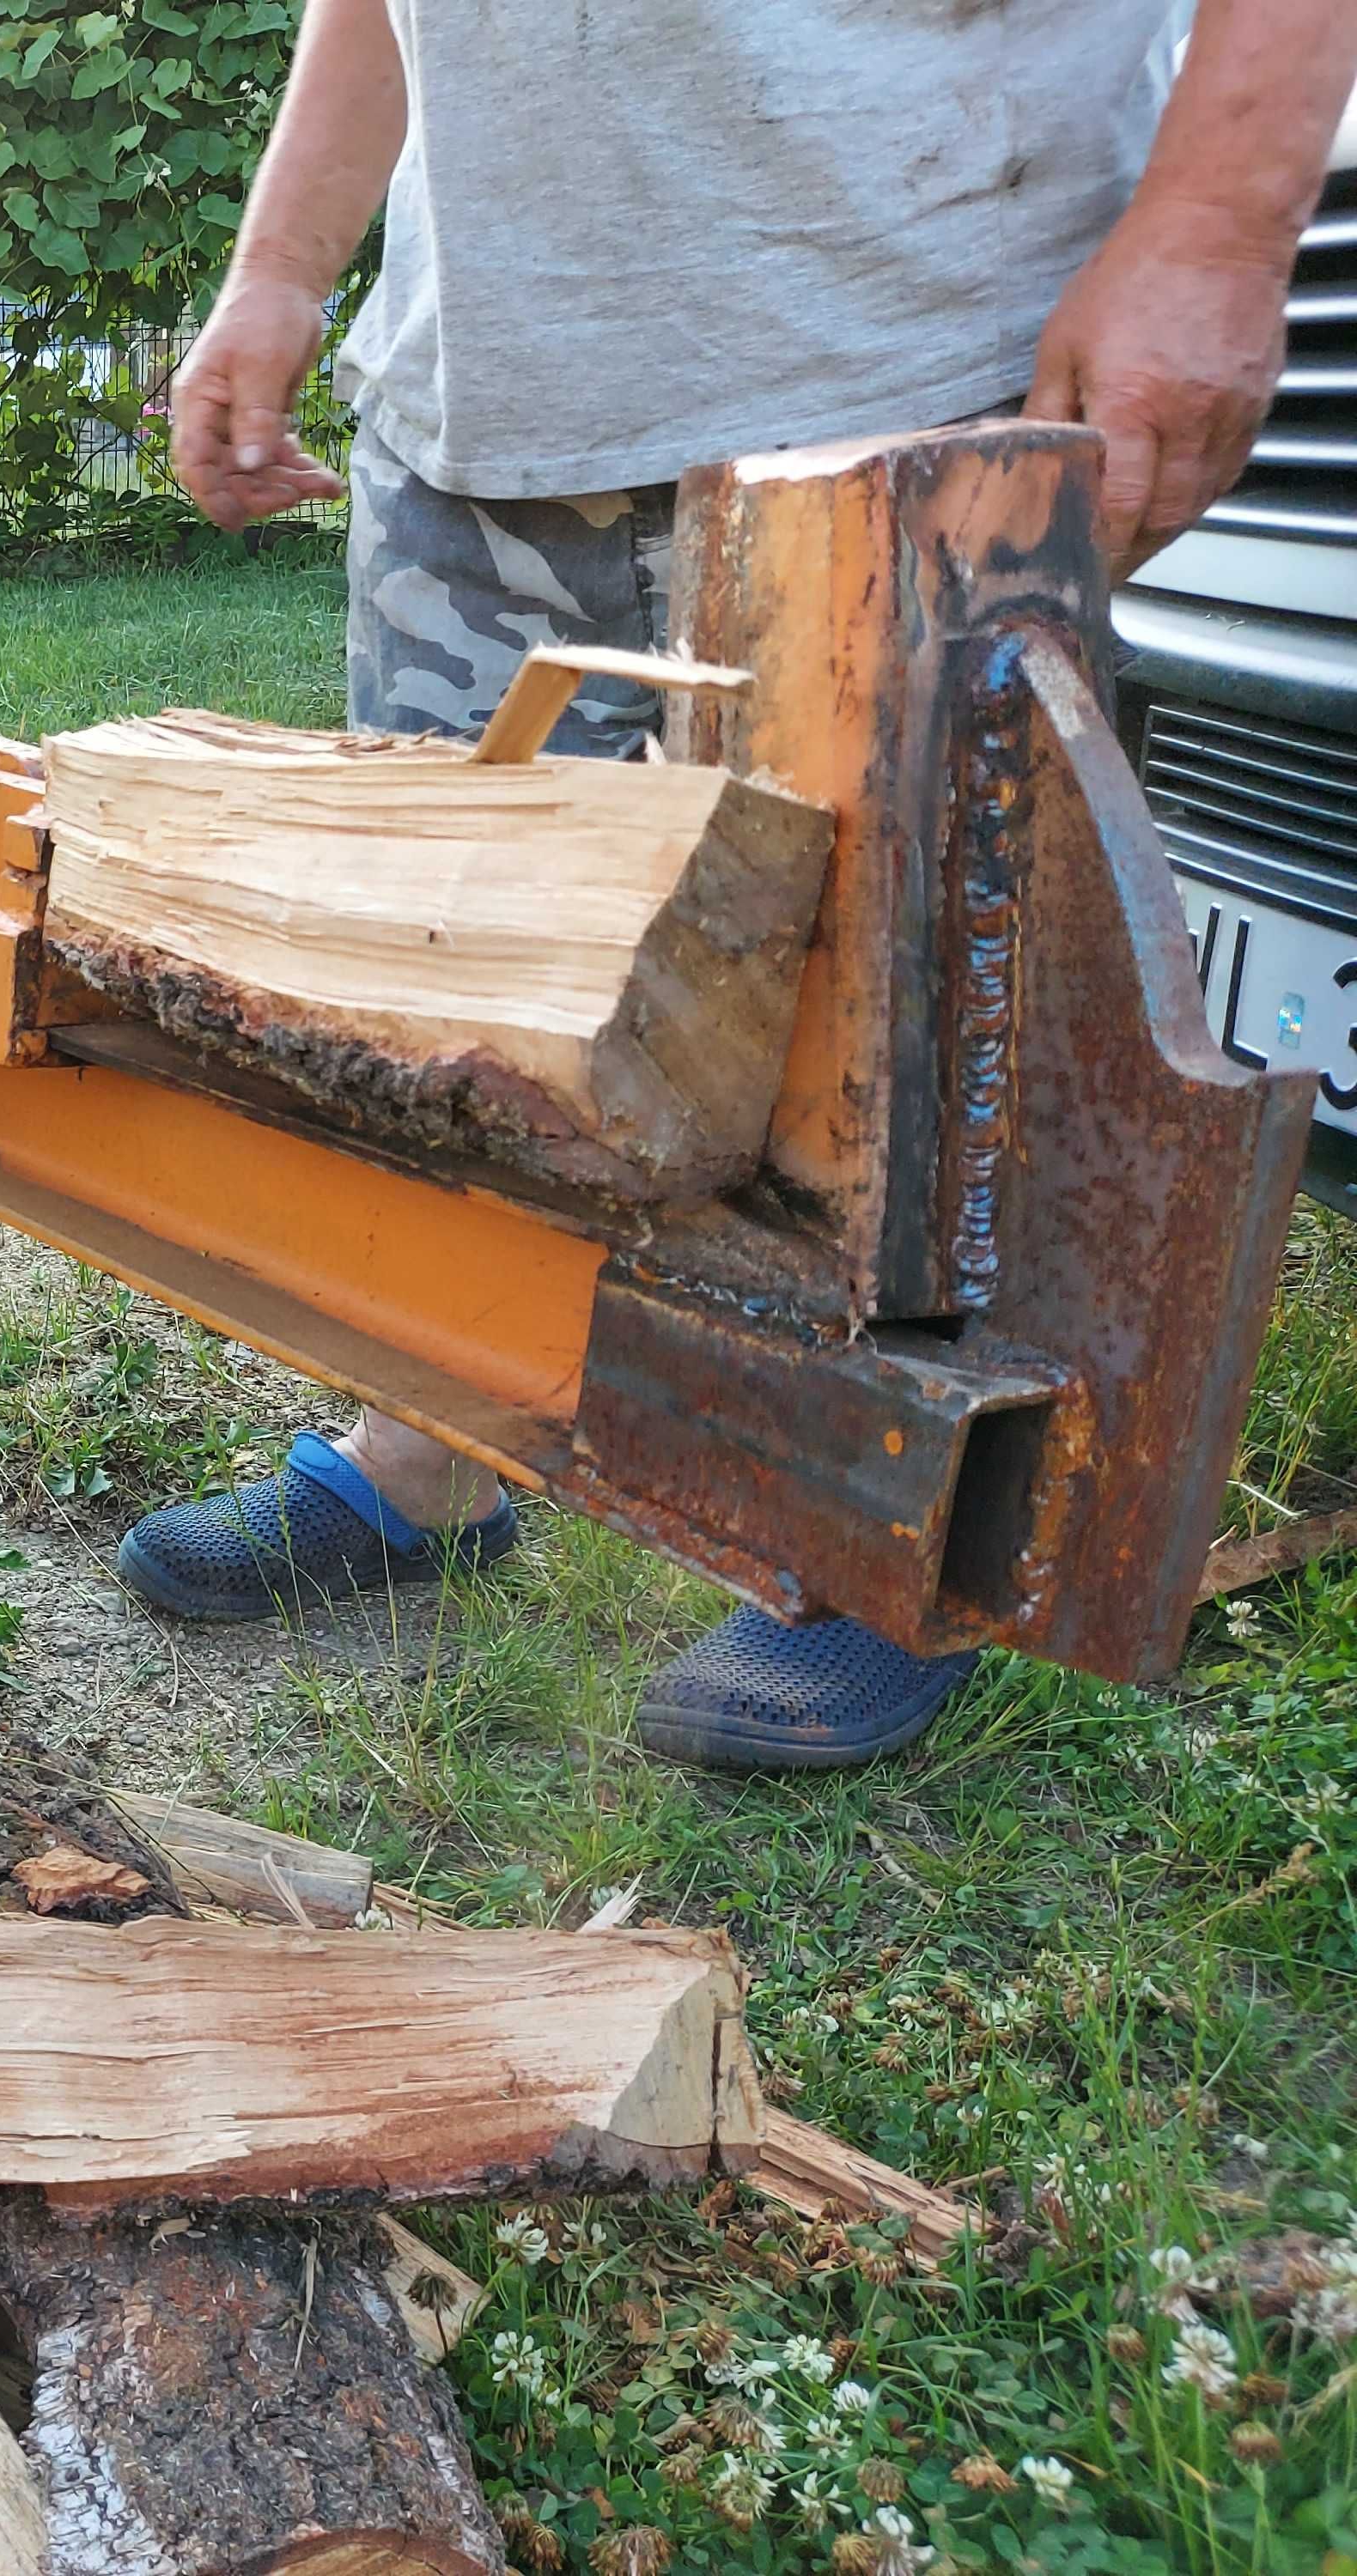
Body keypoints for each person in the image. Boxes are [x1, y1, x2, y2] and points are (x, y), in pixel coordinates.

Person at [125, 0, 1357, 1770]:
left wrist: (1222, 219)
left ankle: (892, 1541)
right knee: (451, 969)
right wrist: (273, 273)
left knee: (907, 1029)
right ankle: (432, 1448)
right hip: (483, 404)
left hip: (901, 342)